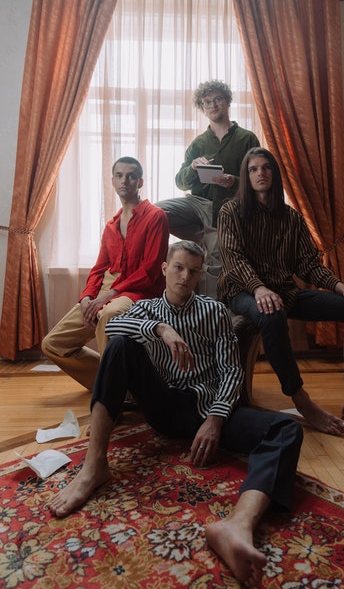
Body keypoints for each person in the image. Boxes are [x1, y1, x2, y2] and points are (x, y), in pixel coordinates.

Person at [49, 240, 303, 587]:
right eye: (179, 268)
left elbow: (231, 371)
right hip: (164, 407)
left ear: (200, 276)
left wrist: (215, 419)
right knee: (120, 345)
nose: (185, 276)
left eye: (193, 271)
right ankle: (94, 467)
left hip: (207, 410)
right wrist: (160, 329)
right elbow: (111, 330)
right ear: (165, 269)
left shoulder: (214, 312)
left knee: (287, 429)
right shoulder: (146, 308)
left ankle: (238, 524)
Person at [217, 147, 344, 438]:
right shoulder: (230, 211)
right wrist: (258, 288)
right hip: (242, 290)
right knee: (271, 313)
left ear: (274, 174)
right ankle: (303, 402)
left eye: (266, 167)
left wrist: (343, 288)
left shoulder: (292, 218)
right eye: (253, 169)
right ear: (246, 177)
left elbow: (309, 265)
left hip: (284, 291)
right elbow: (233, 259)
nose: (260, 173)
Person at [42, 156, 169, 391]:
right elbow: (100, 267)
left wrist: (109, 295)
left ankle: (111, 394)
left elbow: (151, 270)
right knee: (52, 344)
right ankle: (117, 386)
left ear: (140, 182)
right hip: (107, 289)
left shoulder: (156, 216)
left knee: (109, 315)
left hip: (137, 291)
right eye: (119, 176)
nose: (124, 181)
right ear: (112, 181)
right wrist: (87, 298)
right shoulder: (111, 225)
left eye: (131, 176)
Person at [156, 80, 260, 296]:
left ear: (227, 101)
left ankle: (212, 310)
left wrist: (234, 182)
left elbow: (258, 179)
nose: (212, 105)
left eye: (217, 99)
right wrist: (193, 168)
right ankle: (203, 239)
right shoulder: (198, 143)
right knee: (155, 213)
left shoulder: (247, 139)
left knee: (215, 257)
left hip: (228, 207)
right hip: (197, 204)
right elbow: (181, 182)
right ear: (202, 108)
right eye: (207, 102)